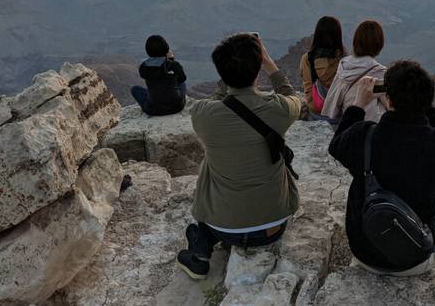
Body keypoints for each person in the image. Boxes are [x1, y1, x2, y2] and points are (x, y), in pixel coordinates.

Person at [328, 60, 435, 276]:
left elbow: (336, 145)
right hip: (413, 261)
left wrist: (358, 104)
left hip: (365, 254)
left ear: (388, 99)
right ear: (428, 99)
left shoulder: (364, 136)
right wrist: (420, 101)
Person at [177, 33, 303, 279]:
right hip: (273, 226)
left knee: (211, 162)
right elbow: (292, 96)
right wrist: (268, 62)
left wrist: (228, 75)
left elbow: (217, 98)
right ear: (257, 72)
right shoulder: (279, 109)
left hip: (222, 229)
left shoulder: (202, 114)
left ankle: (201, 251)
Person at [322, 20, 388, 123]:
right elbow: (390, 106)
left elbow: (333, 100)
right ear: (379, 44)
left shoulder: (344, 65)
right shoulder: (379, 72)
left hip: (348, 122)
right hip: (369, 127)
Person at [299, 16, 347, 118]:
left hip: (316, 110)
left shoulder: (307, 59)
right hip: (339, 111)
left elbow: (307, 87)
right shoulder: (345, 59)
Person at [130, 35, 187, 116]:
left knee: (135, 89)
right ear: (166, 48)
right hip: (176, 107)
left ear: (148, 50)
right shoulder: (174, 65)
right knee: (182, 84)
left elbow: (146, 76)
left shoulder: (143, 67)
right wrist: (171, 60)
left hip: (153, 109)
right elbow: (182, 79)